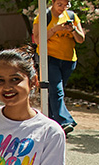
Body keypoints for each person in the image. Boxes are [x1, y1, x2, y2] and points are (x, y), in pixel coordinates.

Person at [31, 0, 85, 134]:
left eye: (65, 5)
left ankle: (49, 123)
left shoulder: (72, 16)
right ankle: (65, 121)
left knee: (53, 93)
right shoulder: (44, 17)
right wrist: (55, 29)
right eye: (59, 4)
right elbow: (37, 40)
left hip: (68, 60)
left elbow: (81, 39)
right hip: (49, 58)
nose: (62, 8)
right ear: (53, 3)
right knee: (57, 90)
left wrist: (72, 29)